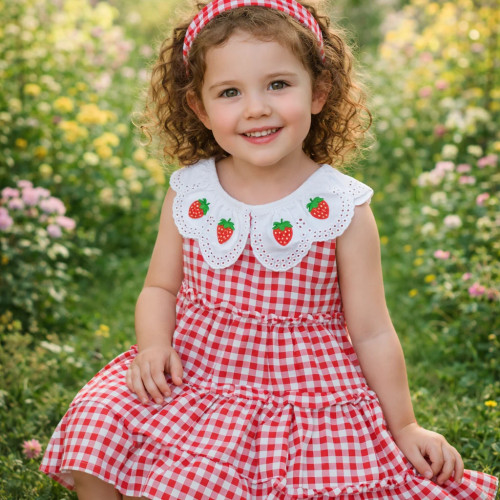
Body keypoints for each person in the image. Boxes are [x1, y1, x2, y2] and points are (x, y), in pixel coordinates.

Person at [40, 1, 498, 499]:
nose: (256, 108)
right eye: (230, 92)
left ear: (319, 91)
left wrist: (405, 425)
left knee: (252, 479)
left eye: (278, 84)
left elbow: (372, 331)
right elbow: (160, 287)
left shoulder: (340, 207)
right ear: (200, 108)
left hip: (303, 393)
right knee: (98, 418)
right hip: (197, 372)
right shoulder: (192, 191)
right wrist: (153, 346)